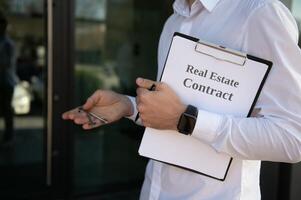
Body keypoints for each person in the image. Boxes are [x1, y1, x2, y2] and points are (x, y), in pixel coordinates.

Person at [62, 0, 301, 199]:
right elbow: (169, 112)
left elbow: (293, 138)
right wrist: (129, 106)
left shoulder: (259, 13)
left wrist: (185, 119)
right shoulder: (174, 21)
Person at [0, 11, 18, 145]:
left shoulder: (7, 43)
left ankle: (9, 136)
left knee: (7, 109)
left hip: (6, 82)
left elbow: (5, 64)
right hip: (5, 81)